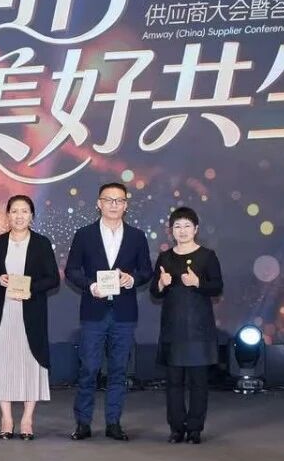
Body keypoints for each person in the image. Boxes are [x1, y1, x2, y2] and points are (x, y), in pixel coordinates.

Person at [63, 182, 152, 441]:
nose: (114, 205)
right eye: (108, 199)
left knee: (118, 370)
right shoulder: (84, 235)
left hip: (124, 313)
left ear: (126, 205)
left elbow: (146, 271)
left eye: (119, 200)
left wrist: (131, 279)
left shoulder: (137, 236)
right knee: (89, 369)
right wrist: (91, 286)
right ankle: (83, 423)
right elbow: (72, 270)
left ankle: (114, 423)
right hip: (94, 311)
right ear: (98, 203)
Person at [0, 195, 59, 440]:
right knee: (2, 362)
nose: (19, 216)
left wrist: (30, 287)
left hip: (31, 312)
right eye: (14, 211)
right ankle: (6, 418)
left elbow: (53, 279)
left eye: (24, 211)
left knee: (30, 363)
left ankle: (27, 419)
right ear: (7, 215)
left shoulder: (41, 243)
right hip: (3, 313)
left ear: (32, 216)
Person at [150, 207, 223, 444]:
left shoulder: (207, 256)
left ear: (196, 229)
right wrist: (161, 284)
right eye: (177, 227)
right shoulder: (165, 258)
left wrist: (198, 282)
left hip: (199, 329)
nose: (182, 231)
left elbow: (217, 287)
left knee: (198, 382)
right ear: (171, 230)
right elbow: (154, 292)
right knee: (174, 382)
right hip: (173, 328)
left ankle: (194, 429)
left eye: (187, 226)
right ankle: (176, 428)